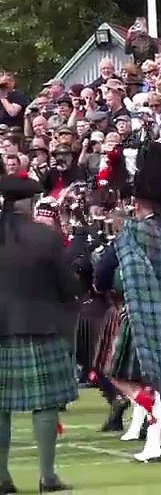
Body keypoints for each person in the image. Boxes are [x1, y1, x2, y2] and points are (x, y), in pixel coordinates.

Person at [95, 141, 161, 463]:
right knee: (160, 372)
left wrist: (106, 289)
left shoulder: (133, 232)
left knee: (119, 373)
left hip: (138, 310)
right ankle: (160, 425)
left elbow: (105, 269)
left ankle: (159, 416)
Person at [0, 175, 77, 493]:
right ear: (29, 203)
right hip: (40, 325)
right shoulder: (45, 237)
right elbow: (67, 285)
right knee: (45, 404)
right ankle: (47, 476)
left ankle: (2, 478)